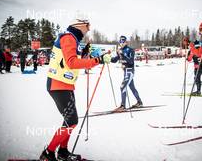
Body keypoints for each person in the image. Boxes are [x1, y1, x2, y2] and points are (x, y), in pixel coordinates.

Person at [40, 19, 111, 161]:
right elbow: (71, 63)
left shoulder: (73, 39)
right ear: (79, 25)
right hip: (58, 84)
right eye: (87, 26)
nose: (89, 29)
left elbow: (73, 61)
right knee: (71, 121)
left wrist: (85, 54)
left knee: (70, 120)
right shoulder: (68, 37)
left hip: (65, 84)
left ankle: (63, 151)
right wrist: (98, 60)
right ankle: (48, 153)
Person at [111, 36, 143, 112]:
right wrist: (107, 58)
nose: (121, 43)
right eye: (120, 42)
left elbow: (131, 61)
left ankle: (123, 106)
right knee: (132, 87)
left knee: (122, 87)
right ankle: (139, 102)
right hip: (125, 72)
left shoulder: (130, 50)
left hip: (130, 71)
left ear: (126, 42)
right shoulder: (120, 50)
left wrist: (123, 55)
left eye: (123, 42)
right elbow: (115, 60)